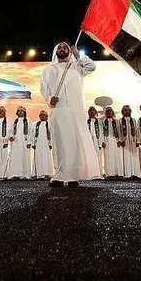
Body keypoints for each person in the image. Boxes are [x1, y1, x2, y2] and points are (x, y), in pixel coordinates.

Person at [41, 42, 101, 186]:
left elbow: (91, 67)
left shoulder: (77, 67)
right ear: (56, 52)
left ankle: (73, 176)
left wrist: (78, 54)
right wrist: (50, 99)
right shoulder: (49, 70)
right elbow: (44, 88)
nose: (62, 49)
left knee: (74, 143)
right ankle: (60, 175)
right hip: (58, 110)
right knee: (59, 143)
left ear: (69, 51)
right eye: (59, 48)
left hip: (75, 111)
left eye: (65, 48)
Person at [5, 106, 33, 179]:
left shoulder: (28, 121)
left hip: (24, 142)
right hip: (16, 142)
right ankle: (14, 174)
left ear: (24, 112)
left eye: (21, 111)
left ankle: (25, 175)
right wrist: (11, 137)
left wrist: (29, 142)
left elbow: (31, 132)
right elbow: (11, 131)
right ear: (17, 113)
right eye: (19, 111)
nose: (20, 112)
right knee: (15, 158)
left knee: (24, 157)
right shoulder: (15, 121)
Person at [119, 105, 141, 178]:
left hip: (133, 141)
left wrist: (138, 141)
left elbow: (137, 131)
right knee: (126, 157)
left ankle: (135, 173)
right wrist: (121, 140)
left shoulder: (134, 120)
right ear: (122, 112)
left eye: (128, 110)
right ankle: (128, 174)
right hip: (125, 141)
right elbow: (119, 131)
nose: (126, 111)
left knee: (134, 156)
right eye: (125, 110)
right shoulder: (120, 121)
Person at [102, 107, 123, 178]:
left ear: (113, 113)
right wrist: (103, 141)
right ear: (106, 113)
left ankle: (118, 173)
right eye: (108, 112)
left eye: (111, 112)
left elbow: (119, 131)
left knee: (116, 156)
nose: (109, 113)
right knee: (108, 157)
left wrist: (119, 140)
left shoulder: (116, 121)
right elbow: (102, 132)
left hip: (115, 141)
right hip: (107, 141)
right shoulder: (103, 121)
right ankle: (110, 174)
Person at [33, 110, 54, 179]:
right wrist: (33, 143)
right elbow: (32, 134)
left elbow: (52, 134)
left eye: (44, 115)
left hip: (46, 144)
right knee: (38, 158)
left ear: (46, 117)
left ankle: (47, 174)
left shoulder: (49, 124)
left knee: (46, 158)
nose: (42, 116)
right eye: (41, 115)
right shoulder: (36, 124)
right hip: (38, 143)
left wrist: (50, 143)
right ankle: (39, 174)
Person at [87, 107, 104, 174]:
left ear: (96, 112)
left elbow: (101, 132)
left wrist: (101, 142)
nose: (92, 112)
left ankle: (99, 173)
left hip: (97, 142)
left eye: (93, 110)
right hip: (89, 142)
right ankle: (91, 173)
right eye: (90, 110)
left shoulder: (99, 121)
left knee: (98, 157)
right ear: (88, 113)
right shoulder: (86, 121)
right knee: (90, 158)